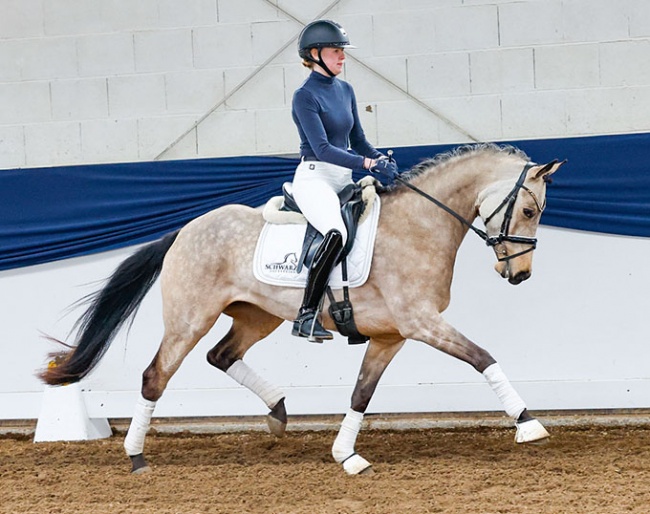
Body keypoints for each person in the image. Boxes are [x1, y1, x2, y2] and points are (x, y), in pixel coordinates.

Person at [290, 19, 398, 341]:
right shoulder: (304, 96)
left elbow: (359, 141)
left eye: (342, 51)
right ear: (315, 53)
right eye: (336, 51)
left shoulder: (346, 90)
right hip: (315, 178)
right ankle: (306, 315)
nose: (342, 57)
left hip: (343, 178)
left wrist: (380, 159)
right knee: (335, 232)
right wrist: (367, 163)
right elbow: (323, 149)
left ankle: (354, 311)